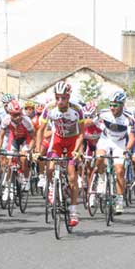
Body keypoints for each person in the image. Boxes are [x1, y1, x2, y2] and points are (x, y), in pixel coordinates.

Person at [35, 81, 84, 227]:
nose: (60, 101)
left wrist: (77, 150)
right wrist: (37, 150)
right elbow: (40, 130)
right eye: (57, 97)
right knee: (50, 168)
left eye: (63, 98)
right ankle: (51, 187)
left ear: (68, 97)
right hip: (57, 140)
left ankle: (73, 211)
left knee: (72, 177)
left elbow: (82, 133)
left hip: (72, 141)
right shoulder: (49, 108)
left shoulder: (77, 109)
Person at [94, 91, 135, 215]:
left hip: (120, 143)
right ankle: (102, 178)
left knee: (120, 170)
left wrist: (127, 150)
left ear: (122, 105)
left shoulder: (129, 118)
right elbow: (90, 122)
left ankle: (119, 200)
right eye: (111, 105)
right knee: (99, 157)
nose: (112, 108)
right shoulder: (103, 113)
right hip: (105, 140)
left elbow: (132, 137)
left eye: (115, 105)